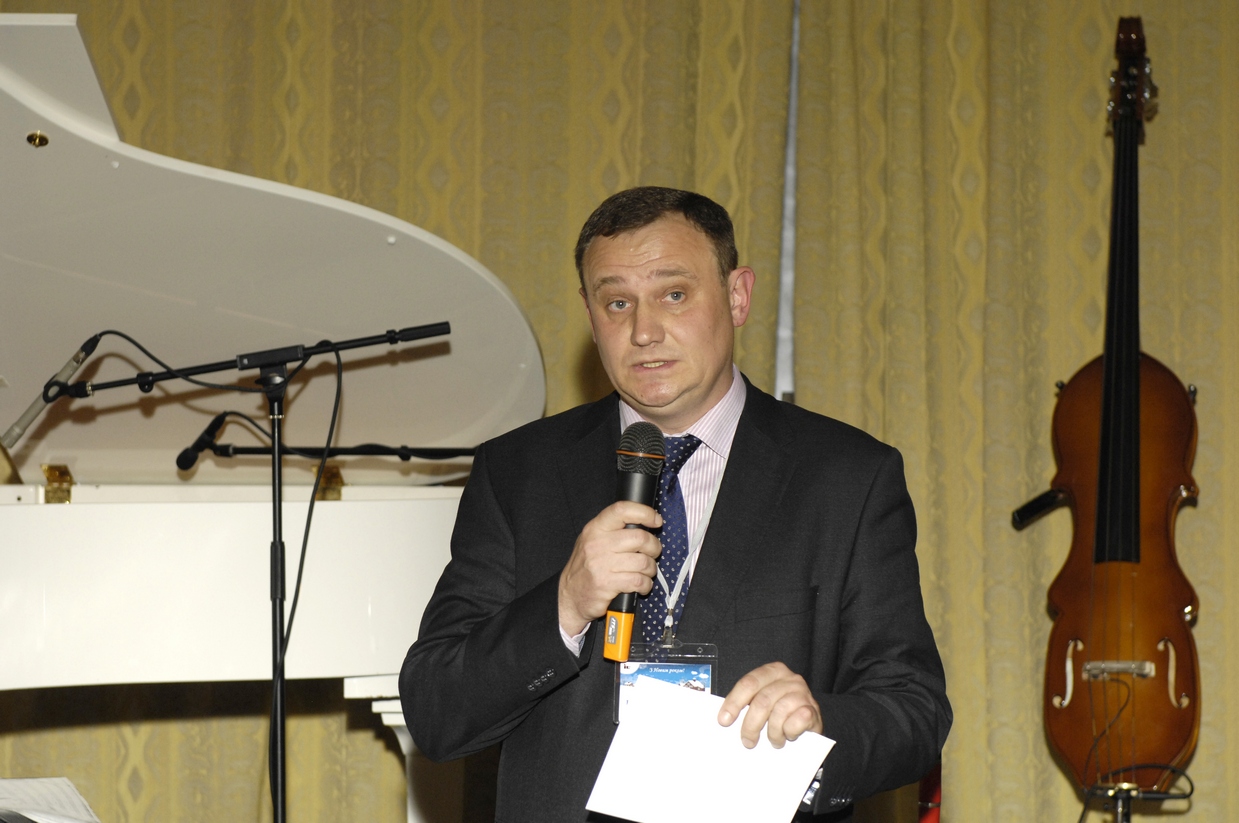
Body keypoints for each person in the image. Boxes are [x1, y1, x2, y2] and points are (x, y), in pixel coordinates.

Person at [400, 186, 950, 821]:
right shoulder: (518, 472)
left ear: (737, 296)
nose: (643, 331)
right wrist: (564, 605)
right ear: (590, 316)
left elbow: (913, 710)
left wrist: (819, 723)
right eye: (617, 303)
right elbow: (435, 711)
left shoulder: (846, 477)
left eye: (674, 294)